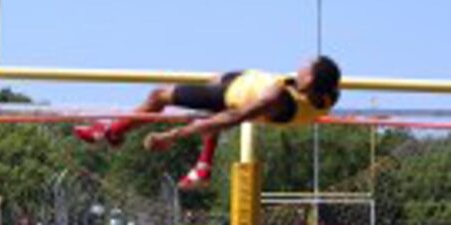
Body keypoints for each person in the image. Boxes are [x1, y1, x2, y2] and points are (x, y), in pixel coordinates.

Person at [74, 56, 341, 190]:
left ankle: (110, 133)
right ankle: (203, 166)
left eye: (307, 67)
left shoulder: (278, 98)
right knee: (209, 104)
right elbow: (327, 87)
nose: (301, 65)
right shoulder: (328, 97)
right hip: (239, 82)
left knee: (159, 96)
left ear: (310, 83)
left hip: (232, 97)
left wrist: (173, 135)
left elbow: (230, 118)